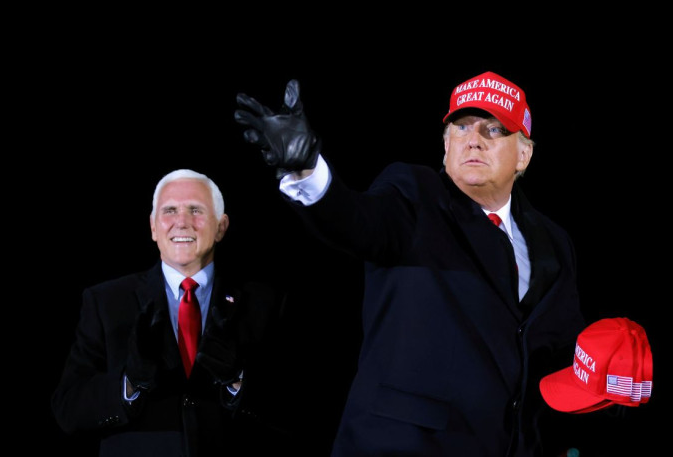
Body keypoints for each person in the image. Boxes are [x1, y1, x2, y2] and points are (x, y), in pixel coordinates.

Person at [234, 72, 588, 456]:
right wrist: (307, 170)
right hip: (404, 446)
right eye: (462, 126)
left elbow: (560, 348)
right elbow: (357, 221)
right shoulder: (414, 195)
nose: (473, 139)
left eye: (494, 130)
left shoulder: (553, 241)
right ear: (446, 144)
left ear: (524, 154)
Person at [51, 169, 287, 457]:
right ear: (153, 226)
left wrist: (237, 379)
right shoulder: (106, 301)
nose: (182, 222)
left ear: (221, 226)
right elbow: (68, 410)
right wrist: (130, 382)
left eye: (196, 210)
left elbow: (296, 409)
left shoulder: (264, 302)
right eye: (170, 210)